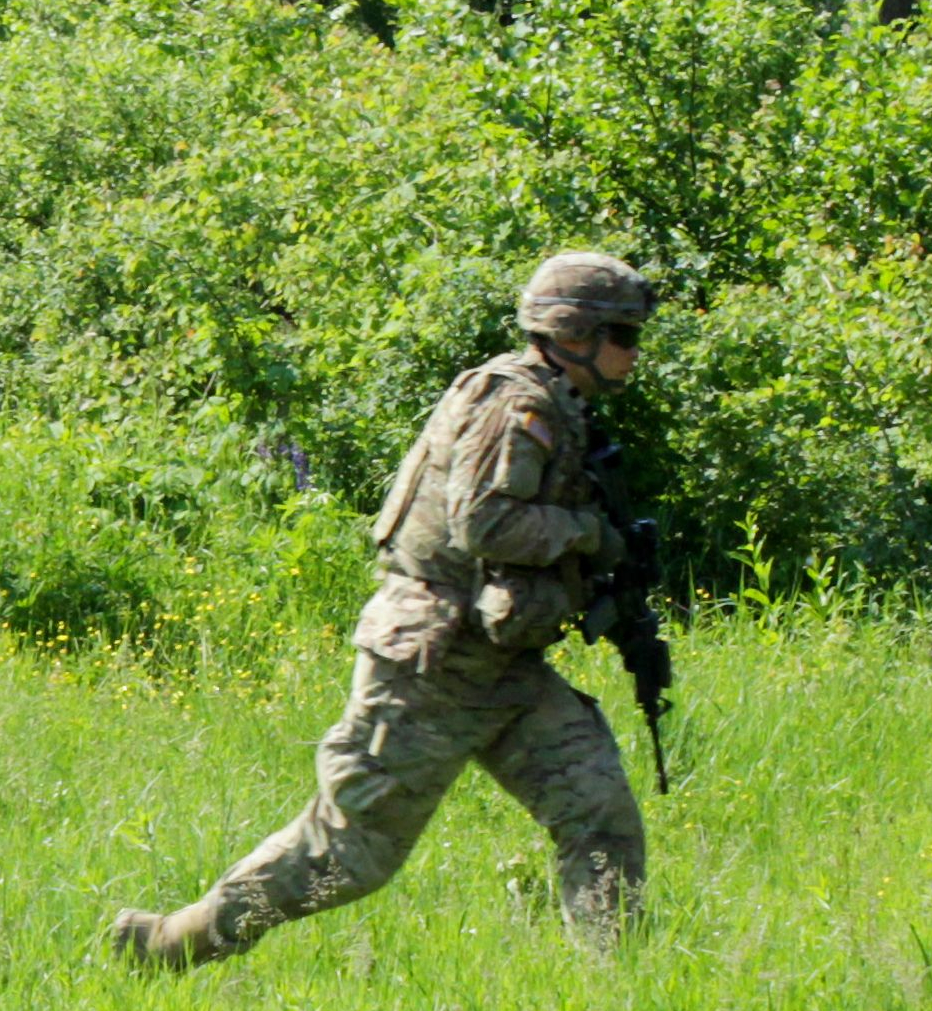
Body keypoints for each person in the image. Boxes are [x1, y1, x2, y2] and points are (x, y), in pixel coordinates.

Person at [112, 252, 659, 969]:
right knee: (347, 852)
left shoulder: (556, 405)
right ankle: (167, 944)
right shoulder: (514, 405)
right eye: (623, 335)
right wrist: (590, 535)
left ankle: (619, 986)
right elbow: (484, 525)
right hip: (430, 663)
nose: (631, 353)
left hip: (501, 665)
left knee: (599, 816)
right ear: (572, 331)